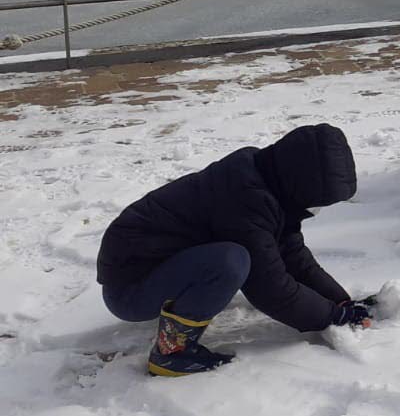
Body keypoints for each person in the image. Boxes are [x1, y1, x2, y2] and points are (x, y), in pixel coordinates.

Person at [96, 124, 373, 377]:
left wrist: (339, 301)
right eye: (317, 201)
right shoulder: (245, 202)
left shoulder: (264, 181)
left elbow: (291, 254)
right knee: (231, 262)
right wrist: (331, 317)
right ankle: (171, 354)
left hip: (156, 270)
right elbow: (270, 287)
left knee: (234, 258)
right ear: (301, 183)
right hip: (129, 290)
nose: (317, 210)